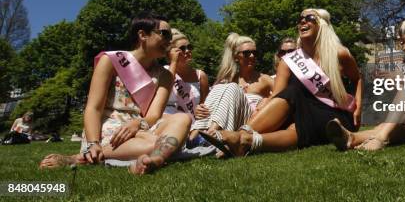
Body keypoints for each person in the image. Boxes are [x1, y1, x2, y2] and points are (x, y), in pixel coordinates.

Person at [39, 13, 191, 174]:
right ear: (142, 35)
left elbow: (154, 114)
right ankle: (87, 155)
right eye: (164, 34)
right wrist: (93, 142)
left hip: (141, 126)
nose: (169, 41)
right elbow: (94, 108)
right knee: (161, 145)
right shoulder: (111, 60)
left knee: (183, 118)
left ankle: (154, 160)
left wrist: (137, 124)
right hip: (109, 129)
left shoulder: (165, 75)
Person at [204, 8, 362, 156]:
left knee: (297, 120)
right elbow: (278, 95)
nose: (302, 22)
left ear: (321, 24)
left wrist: (358, 107)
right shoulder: (288, 61)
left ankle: (242, 140)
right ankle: (242, 138)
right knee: (292, 96)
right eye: (300, 19)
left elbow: (357, 78)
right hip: (302, 111)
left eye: (309, 18)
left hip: (334, 114)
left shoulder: (339, 53)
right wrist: (263, 107)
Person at [326, 18, 405, 151]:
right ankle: (351, 138)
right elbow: (402, 100)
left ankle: (381, 139)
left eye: (403, 32)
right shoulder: (403, 66)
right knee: (386, 126)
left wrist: (402, 80)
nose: (399, 36)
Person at [196, 33, 274, 134]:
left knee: (232, 87)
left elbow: (283, 94)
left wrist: (267, 101)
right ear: (236, 57)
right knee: (221, 86)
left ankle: (212, 132)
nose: (252, 56)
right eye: (247, 53)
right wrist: (199, 109)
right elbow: (211, 105)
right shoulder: (227, 79)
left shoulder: (264, 79)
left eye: (255, 53)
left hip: (250, 122)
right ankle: (195, 135)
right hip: (229, 121)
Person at [164, 28, 210, 146]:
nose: (188, 51)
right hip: (168, 120)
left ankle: (193, 139)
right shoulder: (163, 71)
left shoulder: (200, 75)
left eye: (189, 47)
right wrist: (173, 63)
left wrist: (200, 109)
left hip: (195, 123)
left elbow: (205, 104)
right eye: (182, 49)